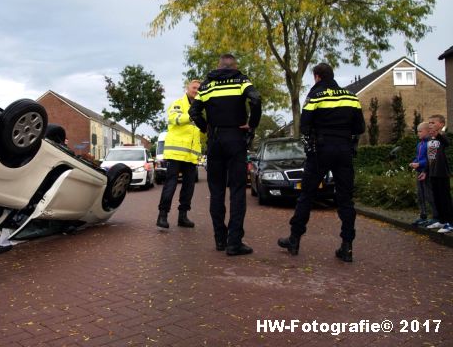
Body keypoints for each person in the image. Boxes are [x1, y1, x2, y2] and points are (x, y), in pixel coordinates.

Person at [278, 63, 365, 262]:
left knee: (306, 195)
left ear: (317, 77)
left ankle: (294, 239)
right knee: (345, 199)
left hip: (321, 151)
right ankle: (347, 246)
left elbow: (305, 126)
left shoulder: (315, 96)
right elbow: (360, 127)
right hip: (344, 151)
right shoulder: (351, 97)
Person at [189, 54, 261, 256]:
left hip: (215, 140)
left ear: (219, 66)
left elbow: (194, 112)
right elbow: (255, 99)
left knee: (217, 191)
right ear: (234, 65)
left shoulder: (207, 85)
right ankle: (234, 242)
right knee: (238, 191)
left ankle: (220, 239)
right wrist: (252, 124)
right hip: (236, 137)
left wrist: (206, 129)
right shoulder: (241, 81)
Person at [156, 80, 204, 229]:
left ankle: (183, 217)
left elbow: (198, 133)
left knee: (189, 187)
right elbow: (174, 119)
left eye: (198, 89)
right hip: (176, 153)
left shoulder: (200, 107)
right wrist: (191, 116)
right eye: (194, 88)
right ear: (187, 88)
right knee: (170, 184)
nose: (196, 90)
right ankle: (162, 216)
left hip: (190, 156)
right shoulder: (178, 103)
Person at [425, 114, 453, 233]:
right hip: (433, 173)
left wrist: (439, 134)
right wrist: (425, 171)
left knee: (445, 198)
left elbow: (447, 143)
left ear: (441, 124)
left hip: (442, 173)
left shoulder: (442, 137)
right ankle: (441, 220)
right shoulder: (430, 140)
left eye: (433, 122)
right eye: (429, 122)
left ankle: (450, 223)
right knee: (437, 198)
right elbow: (430, 158)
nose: (430, 124)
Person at [409, 122, 438, 226]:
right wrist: (414, 162)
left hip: (427, 173)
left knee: (429, 195)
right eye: (417, 132)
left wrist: (419, 163)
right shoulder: (419, 144)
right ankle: (423, 216)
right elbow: (418, 157)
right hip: (419, 172)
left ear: (427, 131)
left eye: (420, 131)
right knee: (420, 195)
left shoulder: (430, 143)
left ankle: (436, 216)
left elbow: (430, 159)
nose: (418, 134)